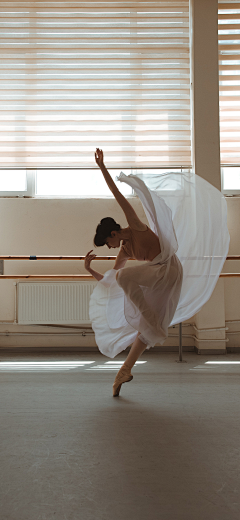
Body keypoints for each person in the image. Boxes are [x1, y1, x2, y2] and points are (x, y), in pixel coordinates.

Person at [84, 149, 183, 396]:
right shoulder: (125, 251)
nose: (110, 247)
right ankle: (124, 371)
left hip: (169, 268)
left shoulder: (136, 228)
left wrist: (102, 167)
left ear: (114, 233)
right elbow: (111, 280)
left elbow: (116, 194)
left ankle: (151, 321)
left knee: (126, 278)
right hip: (158, 278)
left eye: (108, 242)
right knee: (145, 331)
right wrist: (89, 269)